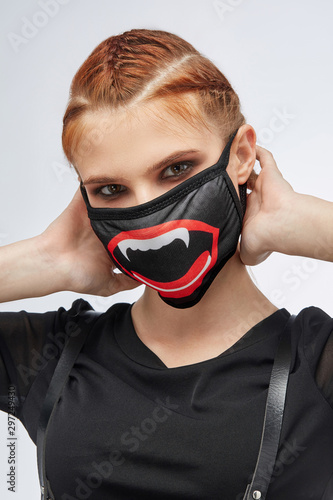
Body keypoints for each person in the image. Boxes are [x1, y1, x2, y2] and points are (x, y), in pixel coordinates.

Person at [0, 28, 332, 500]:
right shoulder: (51, 357)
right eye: (111, 190)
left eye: (176, 169)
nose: (151, 215)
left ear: (240, 155)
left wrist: (307, 223)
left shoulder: (316, 365)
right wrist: (44, 259)